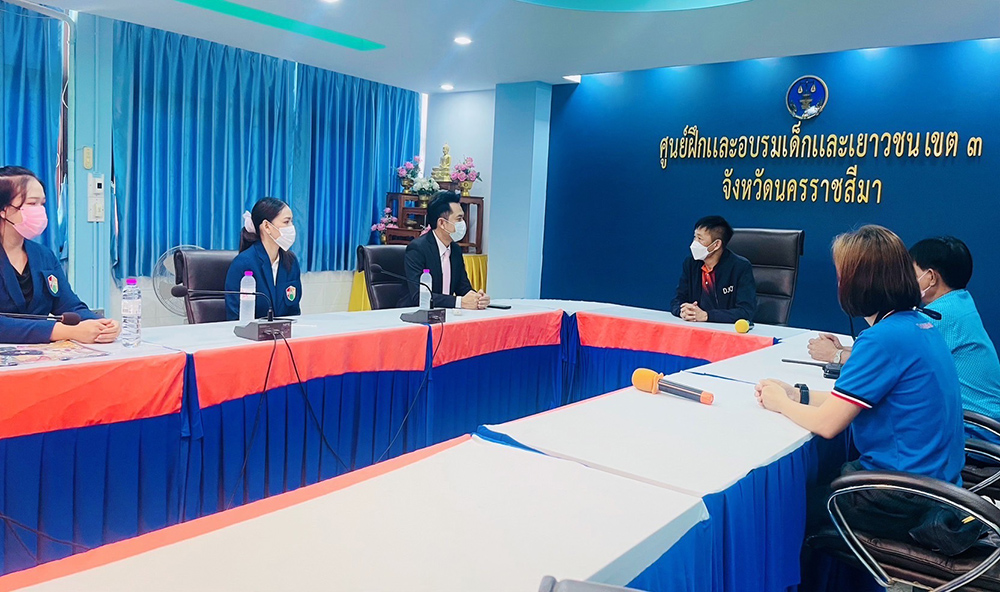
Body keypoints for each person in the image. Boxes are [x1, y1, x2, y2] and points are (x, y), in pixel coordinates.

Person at [756, 226, 975, 552]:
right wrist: (799, 394)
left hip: (902, 497)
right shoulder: (919, 325)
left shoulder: (882, 339)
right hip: (936, 487)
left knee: (781, 508)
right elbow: (857, 401)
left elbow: (828, 424)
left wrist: (779, 402)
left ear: (858, 283)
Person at [808, 236, 1000, 429]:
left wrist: (836, 355)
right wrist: (846, 349)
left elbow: (885, 360)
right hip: (978, 419)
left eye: (911, 272)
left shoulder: (937, 318)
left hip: (973, 426)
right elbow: (893, 354)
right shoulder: (960, 303)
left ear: (931, 277)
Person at [0, 166, 120, 344]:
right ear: (4, 209)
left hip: (39, 355)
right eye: (32, 204)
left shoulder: (43, 256)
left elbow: (70, 306)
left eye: (42, 204)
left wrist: (101, 324)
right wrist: (62, 331)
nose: (40, 211)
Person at [396, 191, 489, 309]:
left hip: (445, 313)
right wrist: (459, 302)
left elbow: (463, 288)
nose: (463, 223)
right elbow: (419, 296)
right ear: (442, 223)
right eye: (459, 219)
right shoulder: (417, 249)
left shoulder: (455, 249)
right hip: (414, 314)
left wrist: (478, 298)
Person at [225, 197, 302, 321]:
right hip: (252, 332)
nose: (291, 227)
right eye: (286, 222)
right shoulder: (243, 263)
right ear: (266, 226)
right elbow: (235, 316)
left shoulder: (291, 261)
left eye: (291, 222)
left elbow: (294, 311)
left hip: (284, 332)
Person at [670, 215, 756, 323]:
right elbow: (677, 300)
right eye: (695, 237)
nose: (694, 243)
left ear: (716, 245)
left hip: (725, 329)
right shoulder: (691, 263)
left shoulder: (740, 267)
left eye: (700, 239)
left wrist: (707, 316)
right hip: (695, 326)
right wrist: (683, 311)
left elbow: (745, 311)